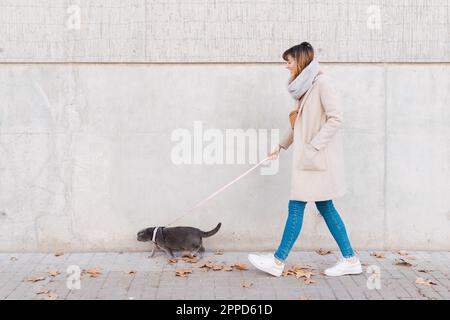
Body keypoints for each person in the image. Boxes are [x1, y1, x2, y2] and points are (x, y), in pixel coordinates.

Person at [248, 42, 362, 277]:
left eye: (288, 61)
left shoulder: (322, 83)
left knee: (297, 205)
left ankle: (278, 261)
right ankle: (350, 258)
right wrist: (280, 145)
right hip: (310, 160)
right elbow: (298, 123)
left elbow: (336, 118)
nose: (286, 66)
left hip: (316, 160)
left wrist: (313, 146)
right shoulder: (306, 87)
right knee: (325, 206)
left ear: (300, 61)